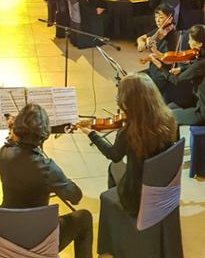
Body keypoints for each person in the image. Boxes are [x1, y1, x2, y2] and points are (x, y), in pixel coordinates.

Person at [76, 72, 178, 218]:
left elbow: (113, 155)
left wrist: (91, 134)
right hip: (164, 187)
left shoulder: (130, 131)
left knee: (114, 167)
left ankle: (119, 216)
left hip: (137, 198)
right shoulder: (169, 118)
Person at [0, 104, 93, 258]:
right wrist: (61, 179)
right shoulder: (47, 169)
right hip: (38, 241)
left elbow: (12, 143)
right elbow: (76, 197)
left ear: (16, 130)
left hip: (7, 232)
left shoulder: (4, 153)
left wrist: (14, 131)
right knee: (84, 218)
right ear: (44, 136)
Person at [158, 24, 205, 126]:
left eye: (191, 40)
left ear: (200, 44)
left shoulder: (202, 64)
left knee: (166, 116)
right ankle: (175, 134)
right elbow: (196, 66)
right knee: (170, 107)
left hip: (204, 113)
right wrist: (181, 69)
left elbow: (177, 80)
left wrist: (161, 67)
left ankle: (173, 136)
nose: (188, 42)